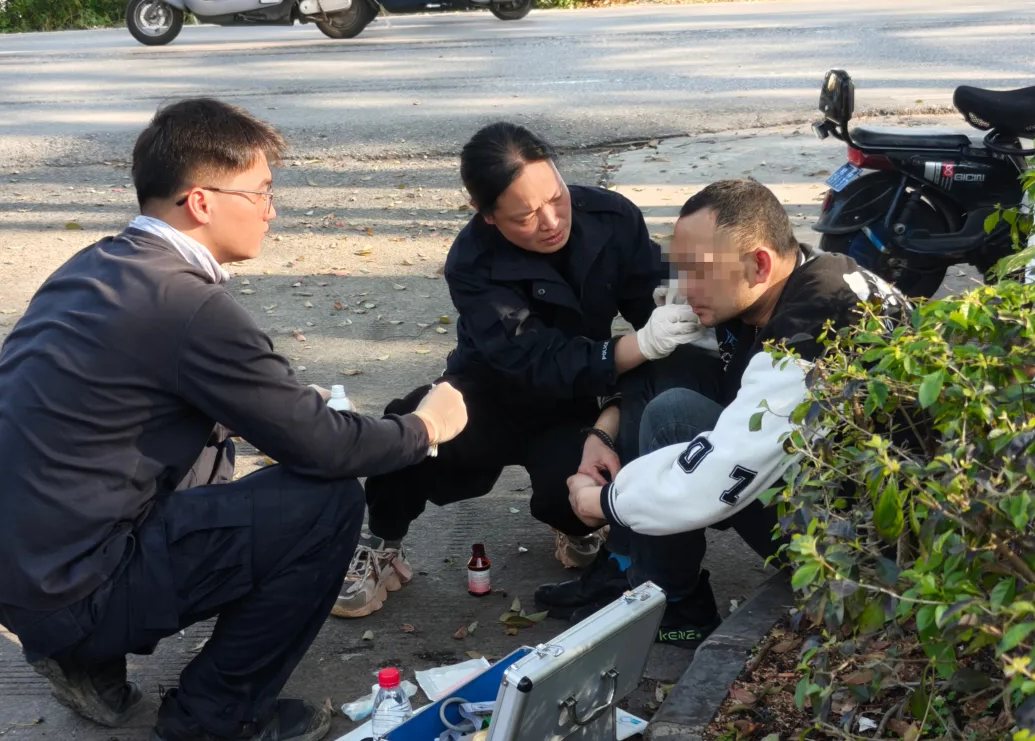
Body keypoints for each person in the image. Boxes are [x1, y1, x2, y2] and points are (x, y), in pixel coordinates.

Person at [0, 99, 468, 741]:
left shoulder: (98, 265)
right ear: (201, 202)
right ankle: (215, 716)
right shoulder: (188, 305)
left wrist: (276, 407)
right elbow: (326, 449)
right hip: (73, 591)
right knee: (326, 503)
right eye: (260, 193)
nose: (271, 210)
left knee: (212, 445)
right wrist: (426, 427)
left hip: (16, 574)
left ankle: (82, 659)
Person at [331, 121, 720, 619]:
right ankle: (381, 543)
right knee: (411, 436)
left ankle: (573, 525)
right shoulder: (471, 262)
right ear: (487, 215)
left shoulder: (611, 217)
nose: (551, 221)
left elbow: (654, 297)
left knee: (589, 481)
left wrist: (676, 305)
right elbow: (536, 359)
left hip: (573, 400)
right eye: (525, 216)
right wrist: (638, 344)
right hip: (486, 391)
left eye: (555, 197)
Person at [564, 178, 905, 647]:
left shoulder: (806, 336)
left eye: (698, 271)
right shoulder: (801, 276)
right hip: (836, 474)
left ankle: (674, 604)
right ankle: (628, 564)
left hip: (853, 545)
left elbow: (722, 472)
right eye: (680, 269)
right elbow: (665, 363)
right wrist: (602, 431)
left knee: (672, 414)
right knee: (670, 361)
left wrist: (604, 503)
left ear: (759, 263)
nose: (684, 287)